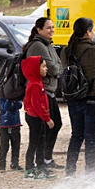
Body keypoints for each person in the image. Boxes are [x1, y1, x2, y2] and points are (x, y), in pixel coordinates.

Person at [60, 17, 95, 177]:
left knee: (76, 135)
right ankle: (90, 174)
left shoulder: (67, 51)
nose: (94, 33)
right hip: (93, 97)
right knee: (91, 137)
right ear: (87, 32)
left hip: (74, 97)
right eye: (93, 30)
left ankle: (70, 173)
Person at [23, 17, 63, 170]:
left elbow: (58, 64)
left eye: (52, 27)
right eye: (48, 27)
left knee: (55, 124)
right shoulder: (38, 46)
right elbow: (53, 68)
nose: (52, 30)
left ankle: (45, 159)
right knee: (46, 128)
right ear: (39, 30)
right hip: (43, 91)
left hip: (50, 91)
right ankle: (40, 162)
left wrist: (56, 68)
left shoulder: (48, 44)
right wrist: (56, 69)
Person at [21, 56, 55, 180]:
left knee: (41, 142)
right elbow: (37, 104)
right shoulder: (35, 84)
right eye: (43, 66)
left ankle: (40, 166)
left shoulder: (38, 81)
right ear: (36, 68)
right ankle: (29, 169)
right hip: (35, 117)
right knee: (34, 143)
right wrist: (47, 119)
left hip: (38, 116)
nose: (46, 69)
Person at [0, 97, 22, 171]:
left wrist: (14, 99)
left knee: (16, 145)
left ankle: (15, 163)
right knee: (4, 146)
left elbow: (20, 105)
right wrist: (9, 99)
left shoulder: (17, 99)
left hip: (15, 124)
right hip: (4, 125)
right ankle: (2, 165)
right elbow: (6, 107)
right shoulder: (1, 99)